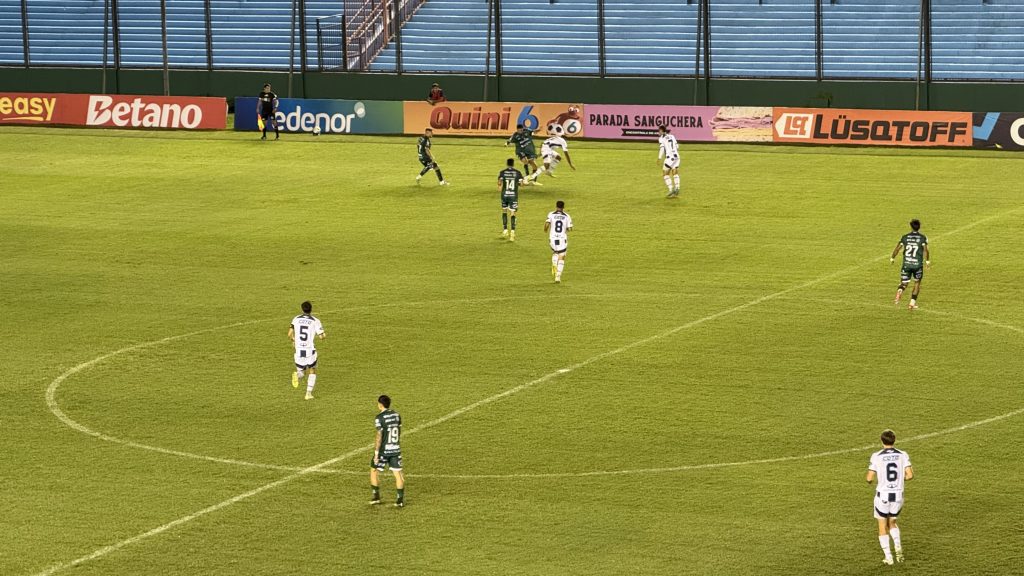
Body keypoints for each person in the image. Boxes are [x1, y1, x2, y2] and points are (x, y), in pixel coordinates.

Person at [866, 429, 914, 565]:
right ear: (894, 440)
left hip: (883, 496)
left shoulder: (876, 456)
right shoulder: (902, 454)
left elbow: (869, 478)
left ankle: (889, 557)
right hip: (898, 496)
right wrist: (899, 480)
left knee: (882, 525)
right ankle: (898, 550)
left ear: (882, 441)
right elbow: (910, 475)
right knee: (892, 522)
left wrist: (874, 481)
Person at [370, 395, 405, 508]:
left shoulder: (379, 418)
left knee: (374, 471)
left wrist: (376, 453)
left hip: (383, 451)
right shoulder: (397, 415)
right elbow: (399, 431)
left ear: (380, 404)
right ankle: (400, 500)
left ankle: (376, 497)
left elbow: (379, 436)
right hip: (395, 449)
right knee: (398, 474)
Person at [288, 301, 325, 400]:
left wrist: (293, 340)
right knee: (312, 370)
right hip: (309, 351)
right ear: (311, 309)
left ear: (302, 309)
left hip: (299, 350)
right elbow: (321, 337)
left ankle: (297, 375)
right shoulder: (315, 321)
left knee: (302, 372)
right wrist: (323, 335)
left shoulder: (296, 319)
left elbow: (289, 334)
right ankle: (308, 394)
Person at [890, 219, 930, 309]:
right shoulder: (923, 238)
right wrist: (927, 261)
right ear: (919, 227)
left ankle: (900, 290)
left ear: (911, 227)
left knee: (904, 283)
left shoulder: (905, 237)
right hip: (917, 265)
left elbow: (897, 248)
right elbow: (925, 250)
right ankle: (912, 303)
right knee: (917, 283)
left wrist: (892, 258)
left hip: (906, 264)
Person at [544, 200, 573, 283]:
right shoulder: (567, 216)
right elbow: (570, 228)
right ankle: (558, 276)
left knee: (555, 252)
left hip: (552, 238)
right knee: (562, 256)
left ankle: (554, 263)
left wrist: (545, 229)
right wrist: (567, 228)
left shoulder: (551, 214)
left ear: (556, 206)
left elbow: (547, 224)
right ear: (563, 207)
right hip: (562, 238)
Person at [498, 158, 524, 241]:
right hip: (513, 196)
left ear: (507, 164)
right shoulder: (517, 173)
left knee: (504, 211)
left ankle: (505, 230)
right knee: (513, 213)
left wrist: (500, 187)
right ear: (513, 164)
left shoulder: (502, 172)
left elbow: (499, 183)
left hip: (504, 195)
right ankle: (512, 232)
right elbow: (521, 184)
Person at [658, 125, 680, 197]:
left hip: (669, 158)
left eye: (659, 130)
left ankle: (671, 189)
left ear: (661, 130)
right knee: (675, 172)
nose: (658, 132)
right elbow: (677, 146)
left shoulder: (661, 138)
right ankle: (677, 188)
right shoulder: (672, 136)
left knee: (665, 174)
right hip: (677, 156)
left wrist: (659, 158)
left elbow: (662, 148)